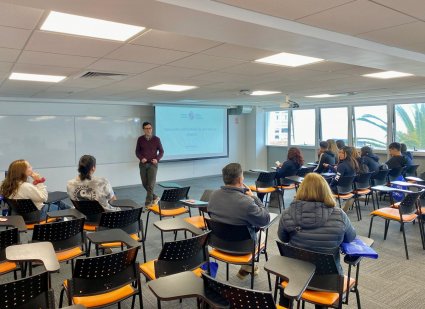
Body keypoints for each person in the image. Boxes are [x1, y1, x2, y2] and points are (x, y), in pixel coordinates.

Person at [277, 173, 356, 309]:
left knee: (287, 268)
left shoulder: (288, 213)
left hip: (295, 275)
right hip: (328, 280)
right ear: (326, 190)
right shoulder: (339, 215)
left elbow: (283, 238)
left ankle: (284, 305)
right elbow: (351, 238)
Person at [208, 163, 270, 279]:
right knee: (263, 233)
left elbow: (211, 214)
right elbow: (265, 219)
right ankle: (248, 266)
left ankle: (247, 267)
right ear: (241, 179)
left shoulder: (213, 195)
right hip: (243, 248)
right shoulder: (247, 202)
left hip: (217, 243)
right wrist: (254, 197)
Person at [0, 159, 69, 219]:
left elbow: (25, 194)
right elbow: (44, 198)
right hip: (34, 215)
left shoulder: (3, 184)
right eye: (29, 166)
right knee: (59, 208)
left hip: (17, 214)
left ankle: (72, 210)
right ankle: (65, 222)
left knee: (58, 202)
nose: (32, 167)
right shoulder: (25, 186)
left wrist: (34, 185)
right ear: (22, 171)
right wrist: (39, 182)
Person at [135, 122, 164, 207]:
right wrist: (141, 158)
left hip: (153, 164)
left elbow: (161, 151)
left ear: (152, 129)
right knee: (145, 184)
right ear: (143, 129)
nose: (149, 130)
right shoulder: (140, 139)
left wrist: (157, 159)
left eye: (150, 128)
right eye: (146, 128)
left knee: (151, 184)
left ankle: (148, 203)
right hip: (143, 164)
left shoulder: (156, 139)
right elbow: (137, 152)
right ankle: (155, 197)